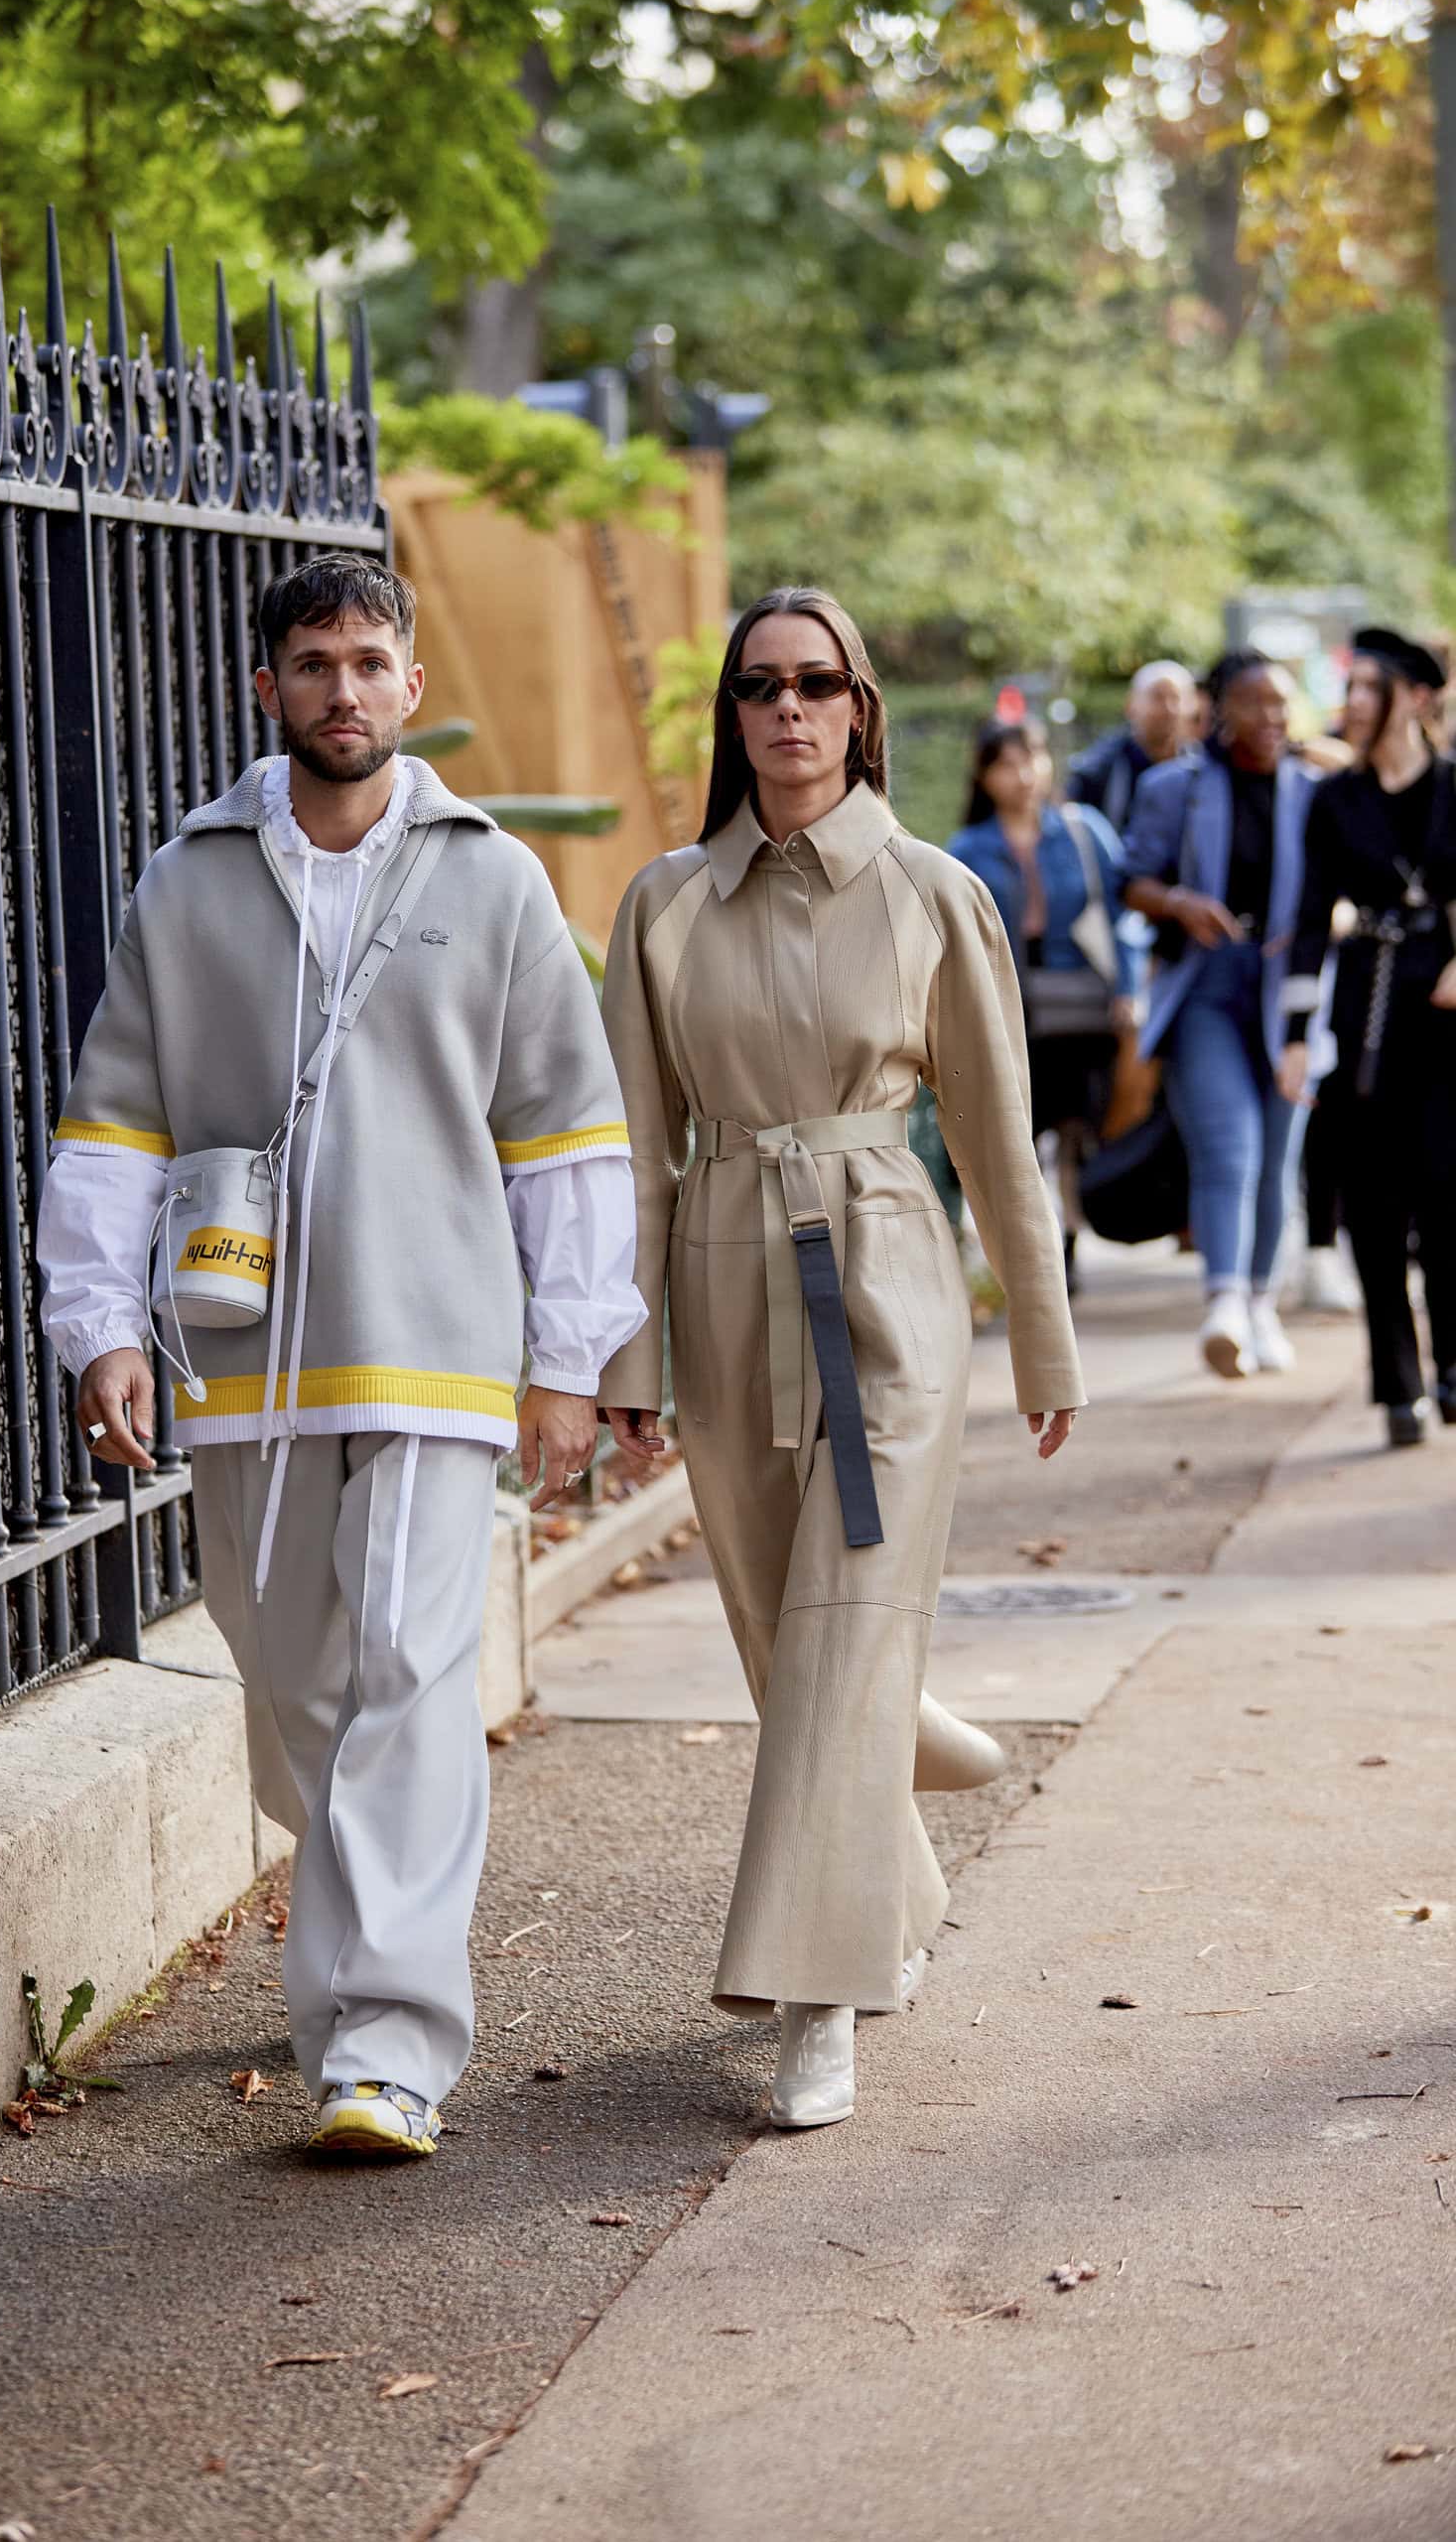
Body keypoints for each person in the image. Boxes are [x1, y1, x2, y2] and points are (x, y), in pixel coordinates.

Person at [36, 553, 644, 2158]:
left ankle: (383, 2045)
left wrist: (570, 1353)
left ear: (412, 688)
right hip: (245, 1366)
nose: (345, 690)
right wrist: (100, 1325)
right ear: (270, 689)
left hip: (437, 1352)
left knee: (408, 1671)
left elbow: (569, 1139)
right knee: (296, 1676)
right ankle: (380, 1881)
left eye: (372, 661)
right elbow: (113, 1126)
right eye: (315, 664)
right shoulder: (188, 882)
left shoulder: (495, 879)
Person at [596, 586, 1083, 2133]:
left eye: (817, 684)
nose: (788, 711)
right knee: (781, 1630)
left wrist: (1043, 1334)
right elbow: (632, 1158)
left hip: (887, 1274)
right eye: (759, 687)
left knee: (849, 1610)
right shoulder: (664, 905)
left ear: (860, 706)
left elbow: (998, 1140)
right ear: (733, 716)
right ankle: (905, 1805)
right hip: (728, 1279)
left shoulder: (938, 893)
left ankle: (818, 1998)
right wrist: (625, 1358)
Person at [1278, 626, 1456, 1445]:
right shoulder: (1334, 800)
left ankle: (1451, 1361)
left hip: (1448, 1013)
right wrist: (1295, 1035)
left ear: (1414, 700)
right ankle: (1398, 1386)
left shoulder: (1454, 788)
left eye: (1367, 690)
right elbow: (1310, 919)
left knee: (1448, 1195)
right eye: (1347, 691)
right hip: (1369, 1012)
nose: (1350, 705)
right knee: (1373, 1206)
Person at [1121, 651, 1319, 1380]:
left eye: (1281, 703)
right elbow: (1131, 880)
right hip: (1205, 984)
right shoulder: (1174, 786)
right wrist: (1178, 902)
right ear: (1219, 707)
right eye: (1253, 701)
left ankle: (1262, 1301)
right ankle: (1225, 1303)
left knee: (1277, 1153)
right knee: (1228, 1145)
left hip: (1291, 990)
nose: (1269, 717)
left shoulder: (1314, 789)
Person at [950, 719, 1139, 1287]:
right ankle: (1032, 1247)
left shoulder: (1083, 831)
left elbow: (1118, 914)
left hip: (1082, 1005)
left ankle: (1070, 1244)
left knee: (1079, 1132)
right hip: (1009, 1009)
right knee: (1018, 1135)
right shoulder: (967, 849)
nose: (1023, 775)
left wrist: (1128, 989)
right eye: (1006, 763)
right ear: (984, 776)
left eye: (1031, 758)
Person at [1066, 659, 1197, 834]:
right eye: (1157, 697)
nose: (1168, 709)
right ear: (1130, 705)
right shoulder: (1097, 771)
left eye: (1176, 698)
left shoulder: (1203, 769)